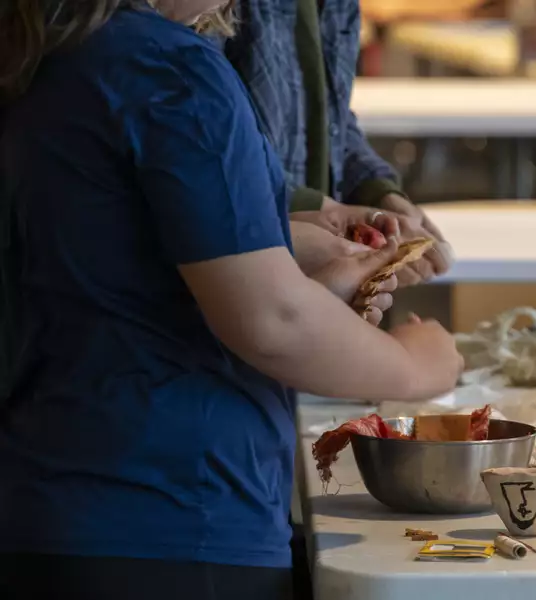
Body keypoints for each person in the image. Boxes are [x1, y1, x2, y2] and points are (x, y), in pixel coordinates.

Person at [0, 1, 463, 598]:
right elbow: (274, 322)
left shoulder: (51, 52)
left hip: (52, 504)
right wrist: (416, 364)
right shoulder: (172, 70)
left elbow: (121, 264)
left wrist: (292, 269)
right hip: (172, 519)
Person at [223, 0, 455, 287]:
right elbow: (210, 151)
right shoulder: (205, 12)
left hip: (306, 272)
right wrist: (324, 211)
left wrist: (377, 192)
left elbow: (333, 119)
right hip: (239, 264)